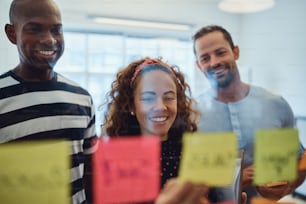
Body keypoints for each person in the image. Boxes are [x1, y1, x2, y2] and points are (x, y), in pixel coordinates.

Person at [192, 24, 306, 203]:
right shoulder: (191, 113)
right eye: (205, 58)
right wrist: (235, 177)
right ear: (199, 65)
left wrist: (286, 187)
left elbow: (298, 162)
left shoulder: (274, 105)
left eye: (221, 52)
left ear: (235, 52)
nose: (214, 62)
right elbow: (188, 178)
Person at [0, 0, 97, 203]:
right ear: (11, 33)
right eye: (35, 29)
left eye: (56, 30)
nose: (49, 40)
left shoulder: (82, 98)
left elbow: (90, 170)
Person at [102, 57, 199, 188]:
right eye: (148, 98)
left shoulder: (195, 155)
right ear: (131, 106)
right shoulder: (114, 161)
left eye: (169, 98)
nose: (160, 107)